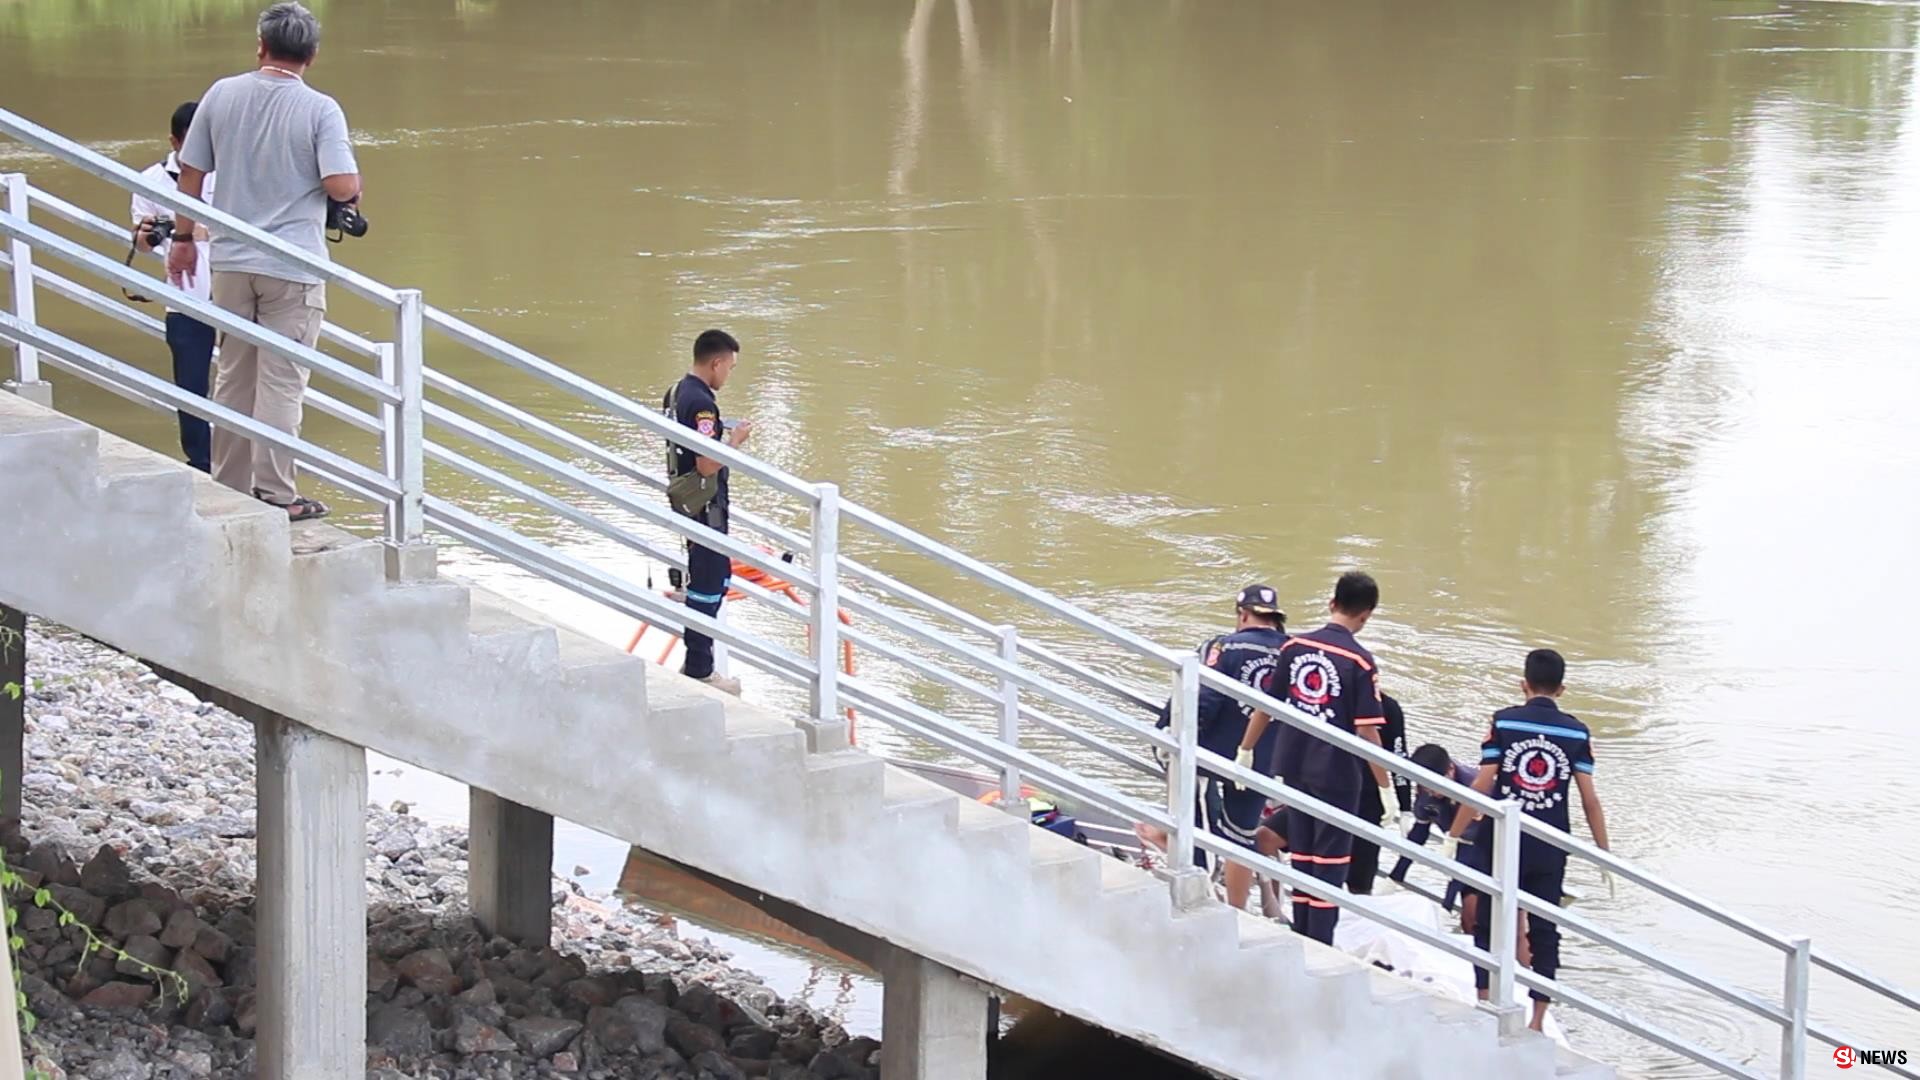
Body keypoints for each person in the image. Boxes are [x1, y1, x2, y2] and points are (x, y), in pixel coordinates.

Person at [168, 1, 360, 521]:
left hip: (230, 260)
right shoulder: (321, 109)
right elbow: (341, 184)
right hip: (291, 267)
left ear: (261, 46)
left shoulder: (221, 94)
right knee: (281, 383)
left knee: (233, 377)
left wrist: (183, 238)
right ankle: (276, 493)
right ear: (313, 55)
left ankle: (227, 487)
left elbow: (191, 172)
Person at [1445, 648, 1613, 1032]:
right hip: (1549, 844)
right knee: (1544, 928)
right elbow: (1590, 799)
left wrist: (1454, 833)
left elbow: (1484, 783)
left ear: (1523, 684)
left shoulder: (1504, 722)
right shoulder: (1577, 731)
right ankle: (1538, 1019)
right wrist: (1604, 855)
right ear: (1563, 688)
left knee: (1488, 921)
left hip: (1502, 839)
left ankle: (1484, 1000)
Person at [1233, 571, 1395, 945]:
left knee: (1302, 858)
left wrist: (1246, 749)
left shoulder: (1293, 647)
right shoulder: (1360, 662)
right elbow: (1368, 732)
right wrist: (1385, 788)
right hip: (1336, 774)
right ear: (1367, 614)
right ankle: (1319, 946)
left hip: (1292, 765)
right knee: (1329, 867)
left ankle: (1300, 939)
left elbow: (1266, 707)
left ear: (1332, 603)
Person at [1136, 584, 1287, 910]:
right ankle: (1237, 909)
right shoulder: (1292, 651)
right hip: (1264, 761)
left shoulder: (1224, 646)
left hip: (1213, 757)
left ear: (1243, 614)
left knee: (1194, 820)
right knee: (1241, 837)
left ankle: (1199, 891)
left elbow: (1202, 697)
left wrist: (1168, 735)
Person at [131, 102, 217, 473]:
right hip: (183, 297)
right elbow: (141, 241)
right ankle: (201, 462)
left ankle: (243, 461)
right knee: (190, 385)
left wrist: (191, 231)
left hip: (237, 293)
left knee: (246, 383)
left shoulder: (231, 173)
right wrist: (148, 235)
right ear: (175, 141)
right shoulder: (149, 181)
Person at [665, 329, 751, 695]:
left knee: (708, 579)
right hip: (706, 506)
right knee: (710, 584)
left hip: (688, 502)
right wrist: (734, 441)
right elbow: (705, 463)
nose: (728, 376)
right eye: (729, 368)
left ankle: (698, 662)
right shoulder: (702, 404)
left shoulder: (677, 391)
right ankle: (701, 669)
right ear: (716, 363)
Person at [1386, 742, 1481, 910]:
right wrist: (1394, 877)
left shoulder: (1473, 787)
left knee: (1472, 909)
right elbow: (1419, 832)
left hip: (1487, 844)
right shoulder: (1425, 786)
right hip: (1460, 835)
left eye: (1435, 787)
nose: (1432, 792)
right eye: (1426, 787)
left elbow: (1467, 853)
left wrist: (1447, 905)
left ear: (1451, 770)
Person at [1347, 692, 1411, 895]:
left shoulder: (1389, 708)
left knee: (1361, 879)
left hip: (1371, 799)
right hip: (1330, 789)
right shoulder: (1337, 696)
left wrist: (1406, 807)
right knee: (1323, 866)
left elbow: (1399, 757)